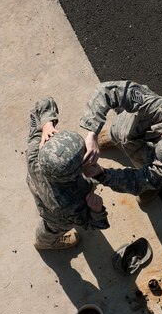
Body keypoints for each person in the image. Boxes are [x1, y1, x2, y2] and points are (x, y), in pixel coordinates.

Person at [78, 80, 162, 204]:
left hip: (147, 160)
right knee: (122, 132)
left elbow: (138, 181)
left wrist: (102, 175)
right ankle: (113, 135)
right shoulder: (159, 108)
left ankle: (153, 186)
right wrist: (92, 133)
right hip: (134, 127)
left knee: (149, 181)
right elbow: (108, 90)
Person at [26, 97, 108, 250]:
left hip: (36, 185)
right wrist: (97, 210)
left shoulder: (35, 152)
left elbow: (42, 103)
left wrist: (46, 124)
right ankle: (45, 243)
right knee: (51, 228)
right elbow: (94, 223)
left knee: (42, 203)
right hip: (57, 215)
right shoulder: (73, 203)